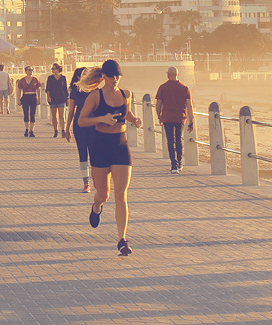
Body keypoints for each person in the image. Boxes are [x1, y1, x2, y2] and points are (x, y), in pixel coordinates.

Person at [77, 60, 141, 256]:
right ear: (103, 76)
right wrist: (102, 119)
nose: (114, 79)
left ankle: (122, 239)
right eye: (111, 76)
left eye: (117, 76)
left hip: (120, 145)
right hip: (100, 146)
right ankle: (97, 206)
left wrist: (134, 120)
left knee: (121, 194)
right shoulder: (95, 96)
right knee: (104, 194)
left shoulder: (126, 94)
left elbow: (127, 113)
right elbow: (81, 121)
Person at [154, 66, 194, 173]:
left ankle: (174, 165)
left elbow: (158, 105)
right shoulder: (185, 88)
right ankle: (180, 162)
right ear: (177, 75)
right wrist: (191, 121)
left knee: (170, 141)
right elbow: (189, 106)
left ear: (168, 75)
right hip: (180, 118)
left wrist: (159, 116)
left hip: (167, 118)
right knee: (178, 140)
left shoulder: (162, 87)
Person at [65, 66, 94, 193]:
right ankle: (86, 182)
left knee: (94, 154)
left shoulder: (95, 89)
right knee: (83, 153)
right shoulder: (75, 91)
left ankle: (97, 179)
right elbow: (71, 111)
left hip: (94, 125)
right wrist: (67, 129)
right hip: (79, 126)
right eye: (85, 74)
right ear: (78, 77)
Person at [46, 63, 69, 138]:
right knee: (54, 115)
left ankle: (63, 130)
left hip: (61, 98)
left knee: (61, 115)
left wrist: (67, 99)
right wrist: (48, 97)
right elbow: (48, 88)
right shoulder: (50, 78)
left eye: (54, 68)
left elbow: (65, 89)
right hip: (53, 98)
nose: (52, 70)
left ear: (58, 69)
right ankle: (55, 130)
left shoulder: (63, 78)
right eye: (52, 68)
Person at [17, 65, 41, 137]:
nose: (31, 71)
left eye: (32, 70)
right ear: (26, 71)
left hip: (33, 96)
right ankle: (26, 129)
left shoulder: (35, 79)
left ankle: (32, 130)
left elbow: (38, 89)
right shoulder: (22, 80)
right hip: (25, 97)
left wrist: (39, 98)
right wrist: (18, 99)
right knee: (26, 113)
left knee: (33, 114)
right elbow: (19, 90)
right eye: (29, 70)